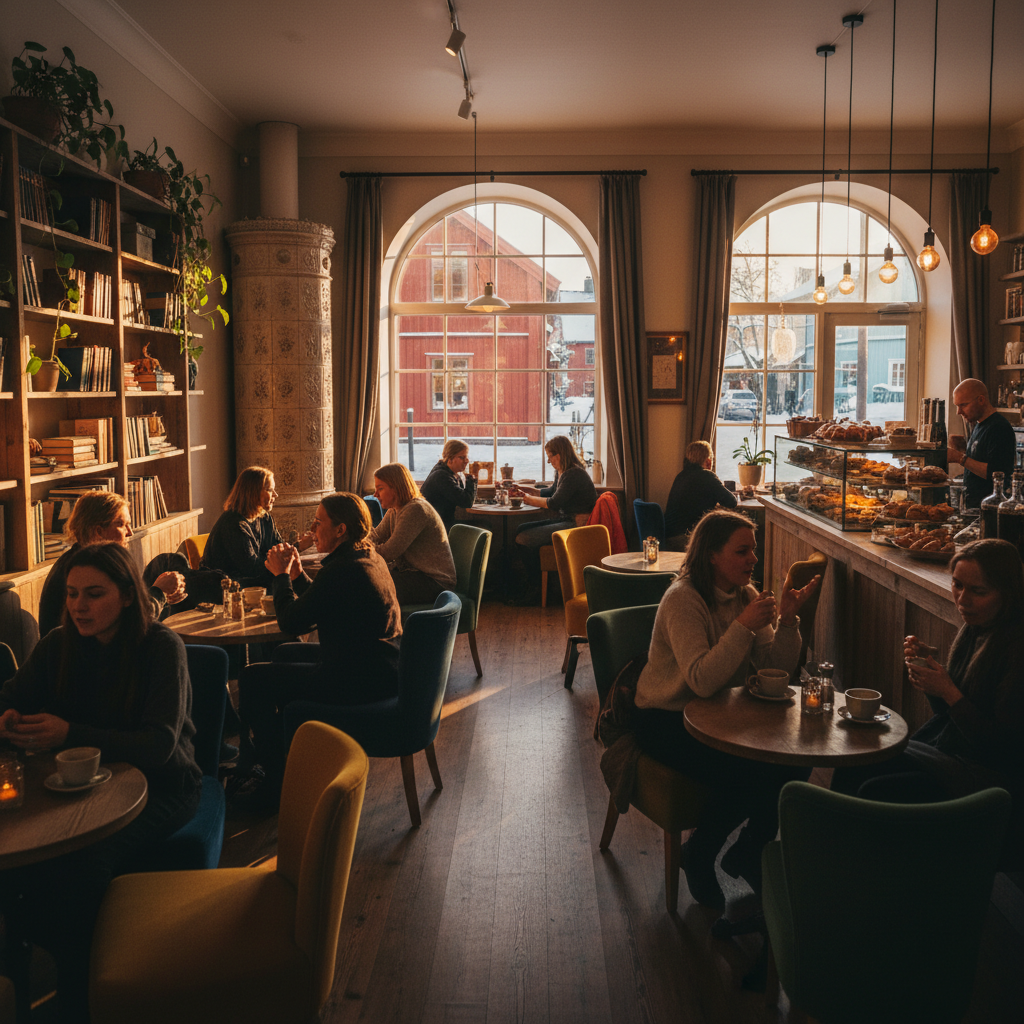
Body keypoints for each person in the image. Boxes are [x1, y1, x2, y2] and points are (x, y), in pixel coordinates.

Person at [0, 543, 202, 1022]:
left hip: (165, 786)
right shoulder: (57, 645)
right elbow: (11, 695)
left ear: (128, 596)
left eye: (93, 594)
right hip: (79, 786)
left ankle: (82, 1001)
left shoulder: (160, 648)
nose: (78, 606)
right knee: (17, 873)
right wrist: (8, 715)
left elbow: (159, 746)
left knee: (82, 865)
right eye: (71, 594)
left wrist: (70, 733)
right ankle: (21, 987)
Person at [632, 509, 820, 908]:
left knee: (796, 762)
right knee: (747, 773)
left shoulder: (746, 595)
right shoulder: (683, 599)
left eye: (753, 550)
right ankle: (701, 855)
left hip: (720, 715)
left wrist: (787, 622)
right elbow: (700, 680)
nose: (753, 559)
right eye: (742, 551)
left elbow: (778, 670)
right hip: (666, 715)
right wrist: (743, 627)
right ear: (712, 555)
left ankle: (748, 850)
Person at [832, 539, 1023, 837]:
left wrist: (947, 690)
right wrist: (932, 677)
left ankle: (859, 867)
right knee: (855, 763)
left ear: (1008, 593)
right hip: (952, 754)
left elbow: (1003, 750)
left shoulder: (1015, 645)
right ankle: (832, 862)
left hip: (990, 781)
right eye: (957, 585)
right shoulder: (977, 628)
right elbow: (950, 717)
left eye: (978, 591)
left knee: (874, 787)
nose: (962, 599)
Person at [232, 493, 402, 808]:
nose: (313, 528)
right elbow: (322, 602)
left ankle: (274, 783)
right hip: (380, 667)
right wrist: (297, 575)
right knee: (284, 655)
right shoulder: (365, 556)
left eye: (319, 522)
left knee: (252, 679)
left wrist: (281, 576)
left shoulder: (342, 570)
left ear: (340, 530)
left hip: (357, 681)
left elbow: (293, 621)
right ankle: (282, 751)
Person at [37, 491, 187, 637]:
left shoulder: (85, 560)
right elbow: (129, 624)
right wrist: (159, 591)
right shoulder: (86, 571)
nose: (130, 533)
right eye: (121, 524)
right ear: (98, 532)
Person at [514, 435, 597, 600]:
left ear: (558, 455)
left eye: (550, 457)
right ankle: (534, 584)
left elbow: (553, 503)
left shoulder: (573, 473)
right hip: (566, 520)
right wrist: (525, 490)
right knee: (520, 529)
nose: (549, 461)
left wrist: (526, 499)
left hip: (576, 525)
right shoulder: (563, 471)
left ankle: (536, 588)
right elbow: (549, 492)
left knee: (523, 538)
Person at [371, 463, 457, 604]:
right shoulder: (395, 509)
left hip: (434, 582)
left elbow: (389, 552)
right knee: (365, 581)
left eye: (380, 489)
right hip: (413, 574)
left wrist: (362, 550)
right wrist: (358, 544)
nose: (375, 495)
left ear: (396, 488)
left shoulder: (416, 510)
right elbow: (376, 535)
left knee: (368, 585)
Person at [947, 378, 1016, 507]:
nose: (958, 412)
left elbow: (996, 473)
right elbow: (980, 459)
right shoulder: (979, 424)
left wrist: (959, 458)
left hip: (989, 508)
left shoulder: (999, 428)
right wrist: (962, 449)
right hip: (974, 507)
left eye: (963, 405)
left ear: (981, 400)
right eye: (957, 406)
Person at [663, 439, 738, 550]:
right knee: (729, 541)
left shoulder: (681, 475)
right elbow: (732, 502)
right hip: (687, 538)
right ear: (708, 462)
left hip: (669, 537)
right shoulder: (707, 476)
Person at [420, 438, 477, 532]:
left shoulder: (446, 471)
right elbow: (467, 502)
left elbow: (461, 495)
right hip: (436, 528)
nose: (467, 461)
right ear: (450, 459)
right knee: (484, 526)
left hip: (440, 523)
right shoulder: (441, 476)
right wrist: (472, 479)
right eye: (462, 457)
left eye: (467, 457)